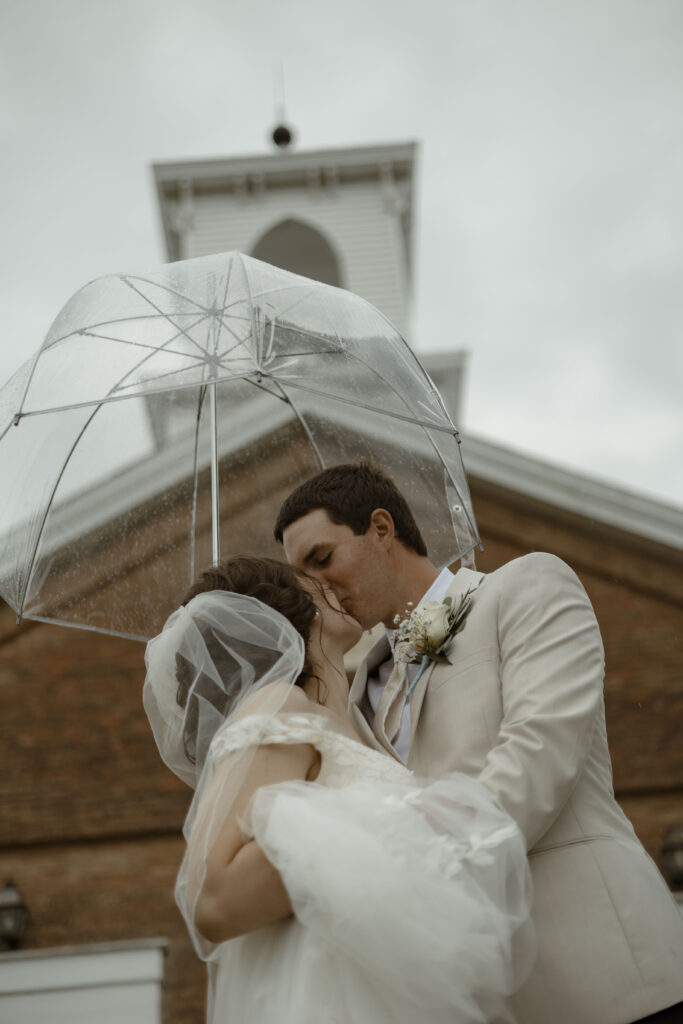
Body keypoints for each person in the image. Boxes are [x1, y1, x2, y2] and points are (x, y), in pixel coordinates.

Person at [276, 462, 683, 1024]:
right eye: (301, 576)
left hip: (608, 976)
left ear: (381, 528)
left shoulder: (527, 586)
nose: (316, 588)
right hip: (480, 998)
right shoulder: (351, 691)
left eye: (321, 559)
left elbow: (537, 757)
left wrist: (410, 874)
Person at [143, 556, 534, 1024]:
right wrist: (387, 824)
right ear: (295, 611)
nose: (335, 587)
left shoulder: (353, 727)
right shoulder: (279, 706)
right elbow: (212, 899)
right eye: (317, 582)